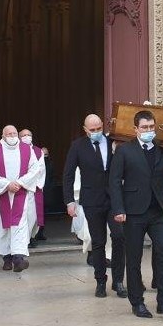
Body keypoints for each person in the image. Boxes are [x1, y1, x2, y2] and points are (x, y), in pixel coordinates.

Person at [109, 109, 163, 318]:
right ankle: (137, 302)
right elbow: (115, 182)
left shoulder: (162, 151)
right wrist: (118, 209)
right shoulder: (124, 151)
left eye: (151, 127)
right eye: (144, 127)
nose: (148, 131)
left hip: (158, 212)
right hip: (133, 212)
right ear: (135, 129)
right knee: (134, 258)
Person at [63, 114, 126, 298]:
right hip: (92, 200)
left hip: (114, 199)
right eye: (93, 130)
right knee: (98, 242)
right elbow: (68, 174)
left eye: (99, 128)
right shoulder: (77, 146)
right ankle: (100, 281)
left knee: (119, 237)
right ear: (85, 130)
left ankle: (119, 281)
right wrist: (69, 202)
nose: (97, 132)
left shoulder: (112, 142)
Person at [0, 125, 42, 272]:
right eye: (8, 134)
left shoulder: (27, 150)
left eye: (14, 133)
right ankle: (6, 259)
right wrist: (6, 184)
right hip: (1, 195)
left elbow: (35, 169)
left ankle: (18, 258)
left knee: (19, 226)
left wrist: (20, 183)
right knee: (3, 228)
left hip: (20, 194)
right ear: (3, 136)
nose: (12, 136)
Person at [19, 129, 47, 247]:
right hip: (20, 187)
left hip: (34, 188)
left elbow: (41, 169)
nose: (26, 137)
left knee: (33, 215)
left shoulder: (38, 151)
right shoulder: (16, 150)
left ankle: (31, 236)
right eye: (24, 135)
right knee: (21, 215)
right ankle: (21, 239)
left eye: (28, 135)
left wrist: (35, 184)